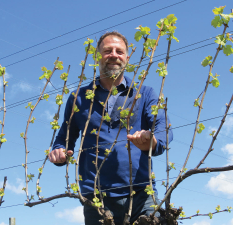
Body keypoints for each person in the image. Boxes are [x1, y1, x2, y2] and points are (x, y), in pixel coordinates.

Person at [49, 31, 173, 224]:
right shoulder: (78, 98)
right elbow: (64, 138)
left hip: (141, 192)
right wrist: (59, 152)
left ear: (127, 57)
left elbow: (163, 128)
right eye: (107, 51)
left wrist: (152, 140)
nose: (114, 55)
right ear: (98, 56)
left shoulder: (144, 93)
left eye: (119, 51)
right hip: (97, 198)